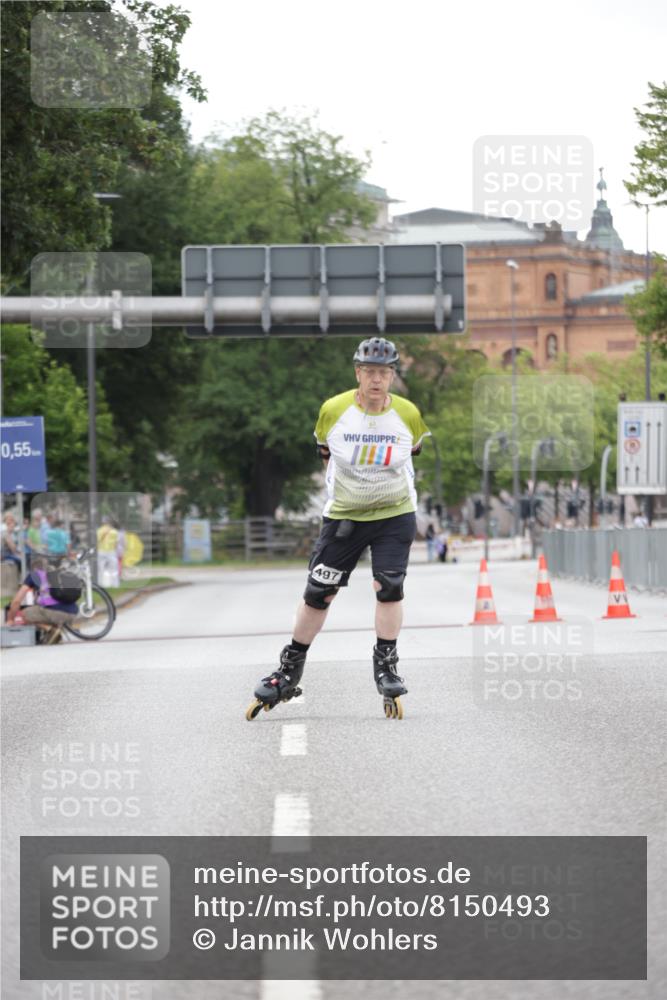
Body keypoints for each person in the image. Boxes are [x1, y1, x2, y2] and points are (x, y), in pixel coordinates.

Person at [246, 336, 430, 721]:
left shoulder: (408, 415)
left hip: (395, 514)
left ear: (393, 376)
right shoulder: (333, 410)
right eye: (369, 373)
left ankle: (386, 665)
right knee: (319, 592)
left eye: (384, 373)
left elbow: (412, 453)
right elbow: (324, 453)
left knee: (390, 586)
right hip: (345, 516)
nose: (377, 380)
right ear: (357, 374)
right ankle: (289, 668)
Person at [5, 556, 79, 643]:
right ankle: (54, 633)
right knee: (42, 610)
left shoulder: (34, 575)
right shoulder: (58, 573)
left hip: (55, 614)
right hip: (73, 613)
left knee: (22, 614)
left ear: (34, 568)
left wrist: (10, 619)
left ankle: (50, 629)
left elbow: (16, 601)